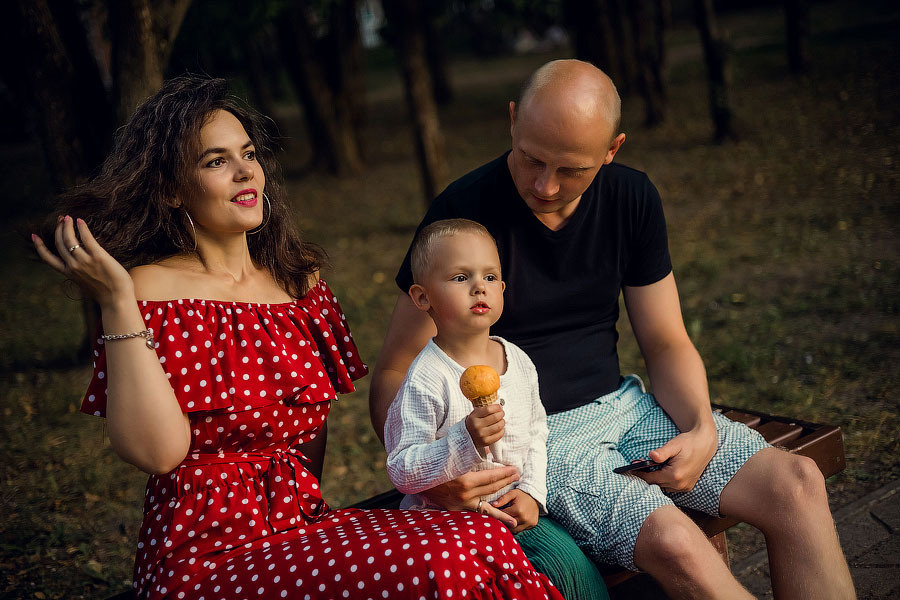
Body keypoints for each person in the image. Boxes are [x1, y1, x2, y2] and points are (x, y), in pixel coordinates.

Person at [32, 76, 563, 600]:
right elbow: (158, 453)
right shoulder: (147, 291)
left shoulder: (298, 283)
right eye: (216, 161)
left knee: (482, 536)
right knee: (443, 559)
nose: (246, 172)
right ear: (172, 189)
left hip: (302, 527)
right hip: (207, 554)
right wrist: (117, 304)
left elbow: (312, 439)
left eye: (248, 153)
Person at [370, 59, 856, 599]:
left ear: (612, 149)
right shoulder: (462, 214)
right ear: (512, 120)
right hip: (541, 438)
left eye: (571, 169)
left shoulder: (631, 198)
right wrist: (436, 480)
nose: (545, 185)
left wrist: (700, 426)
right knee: (677, 540)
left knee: (798, 485)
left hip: (627, 408)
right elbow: (396, 367)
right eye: (531, 159)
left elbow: (666, 338)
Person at [384, 218, 548, 526]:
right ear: (422, 297)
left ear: (501, 288)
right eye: (460, 277)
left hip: (515, 511)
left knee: (570, 567)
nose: (479, 286)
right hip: (446, 521)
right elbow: (402, 468)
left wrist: (531, 492)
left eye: (489, 276)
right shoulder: (426, 377)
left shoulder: (519, 361)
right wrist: (465, 438)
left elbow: (537, 431)